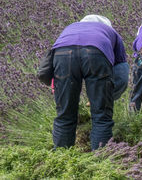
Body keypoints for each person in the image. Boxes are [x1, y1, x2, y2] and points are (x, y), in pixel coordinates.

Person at [50, 14, 127, 150]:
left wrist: (56, 88)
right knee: (101, 117)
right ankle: (100, 162)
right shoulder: (111, 32)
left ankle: (61, 160)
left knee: (64, 115)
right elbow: (121, 72)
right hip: (96, 53)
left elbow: (46, 67)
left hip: (62, 55)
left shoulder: (70, 28)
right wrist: (111, 95)